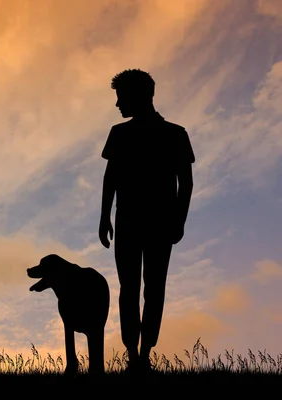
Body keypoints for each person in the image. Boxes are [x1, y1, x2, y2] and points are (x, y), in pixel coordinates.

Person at [98, 69, 195, 374]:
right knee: (131, 287)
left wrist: (179, 220)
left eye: (121, 97)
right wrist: (104, 216)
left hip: (159, 224)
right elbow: (110, 177)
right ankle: (133, 354)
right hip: (127, 221)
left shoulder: (175, 134)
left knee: (153, 288)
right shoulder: (119, 133)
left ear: (142, 96)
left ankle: (144, 353)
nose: (117, 105)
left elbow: (186, 182)